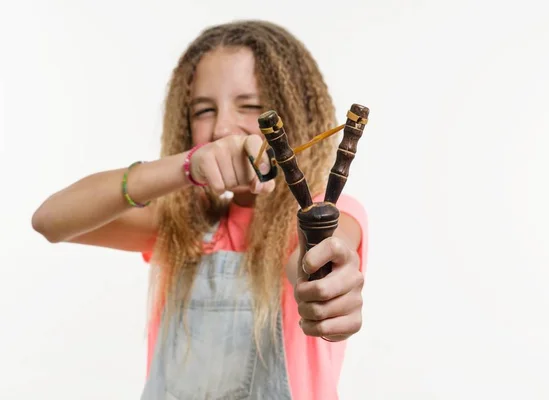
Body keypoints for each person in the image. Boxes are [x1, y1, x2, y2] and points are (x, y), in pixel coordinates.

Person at [32, 19, 368, 400]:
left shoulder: (326, 211)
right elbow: (50, 220)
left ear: (293, 116)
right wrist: (186, 166)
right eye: (203, 110)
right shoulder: (181, 226)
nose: (223, 128)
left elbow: (321, 256)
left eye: (253, 107)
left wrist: (327, 284)